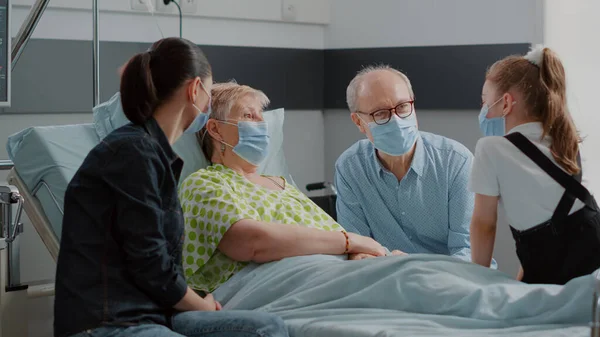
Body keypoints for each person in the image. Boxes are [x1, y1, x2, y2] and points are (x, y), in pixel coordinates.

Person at [54, 38, 288, 337]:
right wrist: (199, 305)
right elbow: (150, 264)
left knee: (267, 327)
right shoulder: (131, 154)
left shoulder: (157, 156)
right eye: (208, 89)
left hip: (156, 314)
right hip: (110, 322)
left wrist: (195, 301)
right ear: (194, 90)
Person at [179, 81, 388, 292]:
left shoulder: (281, 185)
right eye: (249, 116)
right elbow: (251, 242)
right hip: (282, 288)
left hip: (335, 275)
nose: (262, 123)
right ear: (215, 129)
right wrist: (350, 242)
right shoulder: (203, 184)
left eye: (261, 114)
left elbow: (334, 237)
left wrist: (360, 254)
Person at [469, 45, 600, 285]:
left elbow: (484, 224)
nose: (483, 111)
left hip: (558, 263)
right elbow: (545, 233)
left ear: (506, 103)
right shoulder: (565, 141)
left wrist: (476, 284)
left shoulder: (490, 148)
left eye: (484, 102)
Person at [334, 65, 479, 263]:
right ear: (359, 122)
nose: (396, 120)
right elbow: (357, 246)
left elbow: (470, 251)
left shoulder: (456, 162)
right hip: (386, 278)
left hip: (450, 280)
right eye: (381, 113)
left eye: (402, 107)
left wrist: (415, 268)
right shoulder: (350, 168)